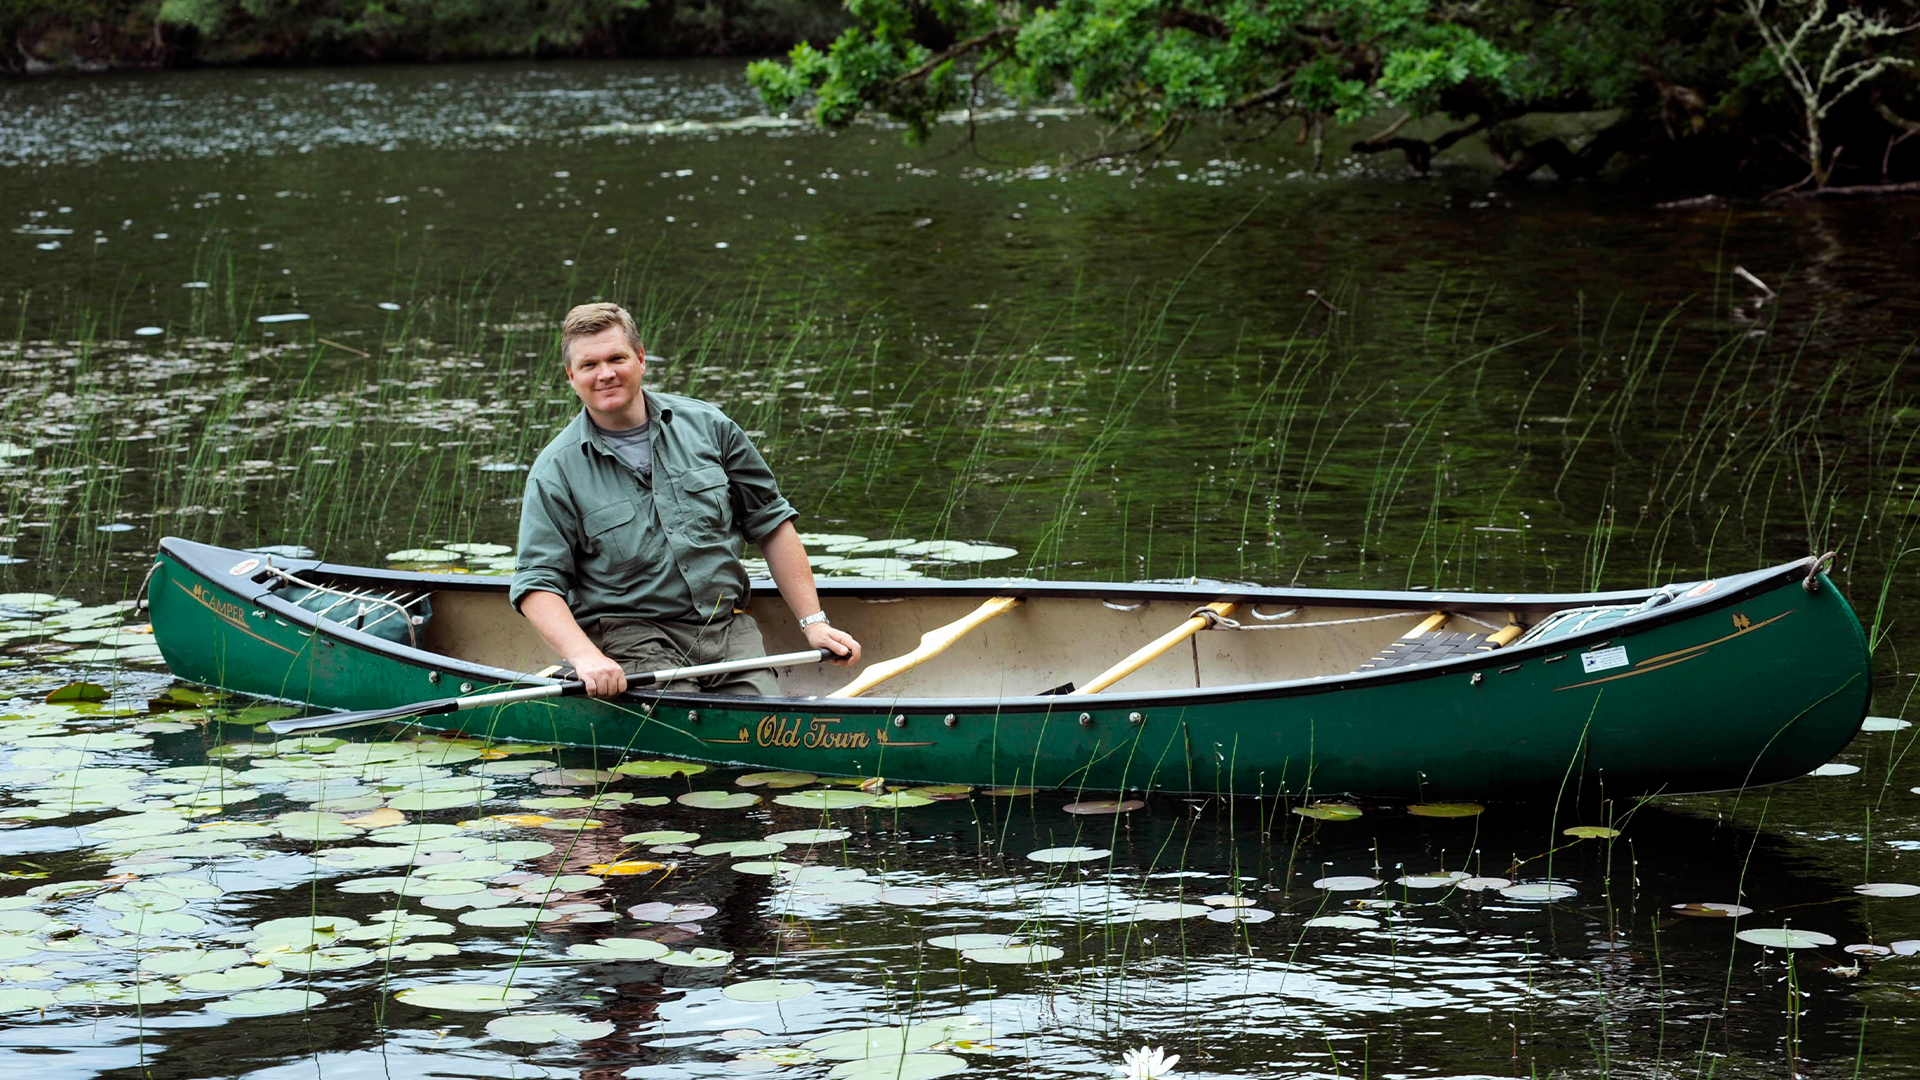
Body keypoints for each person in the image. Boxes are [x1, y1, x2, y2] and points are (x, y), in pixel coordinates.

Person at [511, 302, 861, 699]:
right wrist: (586, 656)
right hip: (632, 640)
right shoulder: (555, 470)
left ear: (640, 360)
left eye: (617, 358)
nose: (605, 374)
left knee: (766, 716)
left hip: (726, 631)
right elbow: (537, 584)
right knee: (685, 714)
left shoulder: (711, 427)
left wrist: (813, 623)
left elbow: (771, 524)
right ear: (571, 377)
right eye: (589, 365)